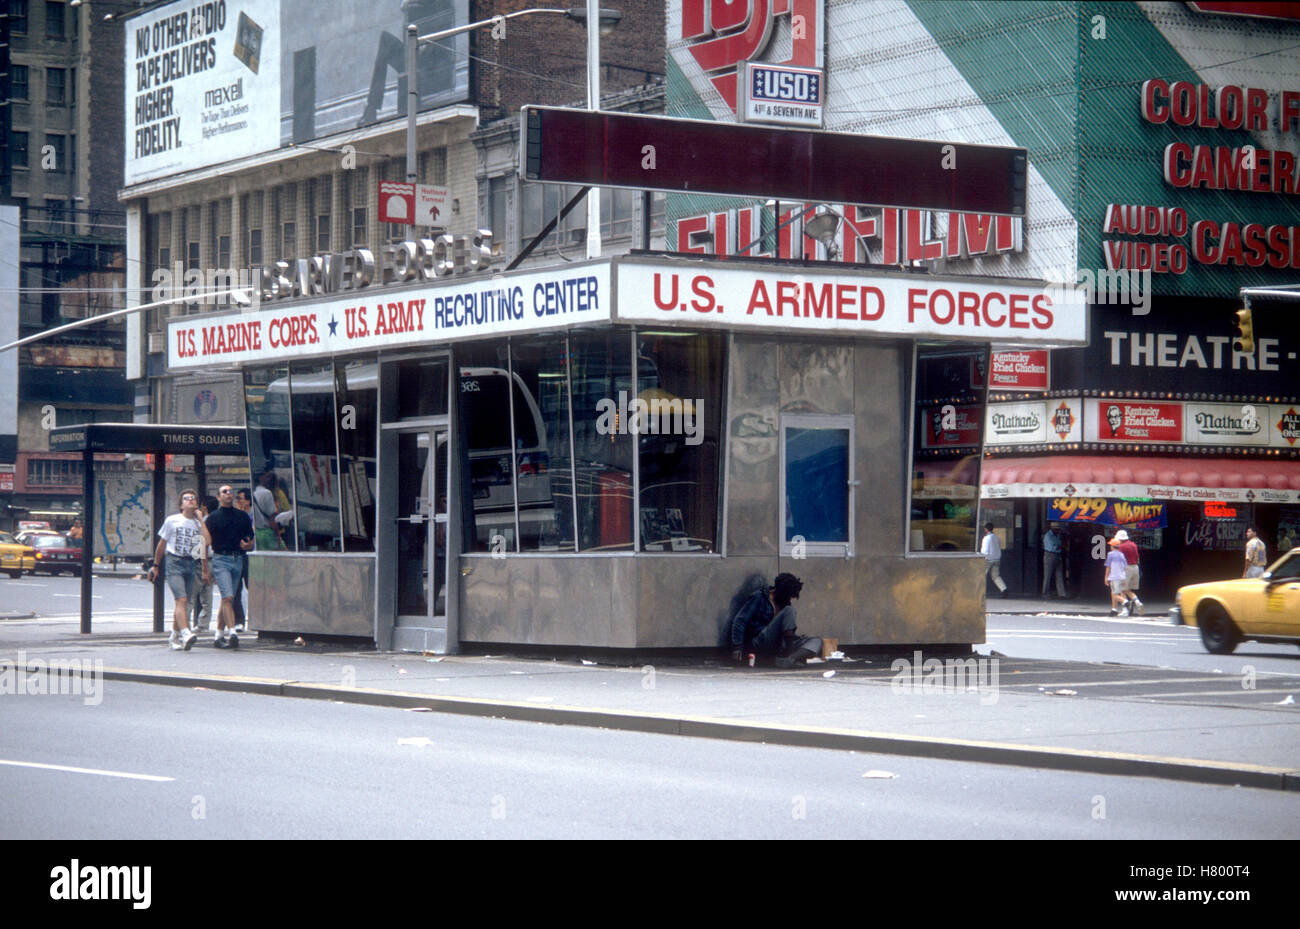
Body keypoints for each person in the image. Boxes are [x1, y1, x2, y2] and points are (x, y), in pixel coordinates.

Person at [149, 489, 211, 651]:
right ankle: (185, 633)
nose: (190, 500)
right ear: (181, 504)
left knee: (185, 602)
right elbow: (162, 544)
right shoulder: (172, 520)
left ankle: (173, 636)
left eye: (193, 498)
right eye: (186, 499)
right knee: (181, 600)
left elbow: (206, 542)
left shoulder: (198, 524)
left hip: (192, 563)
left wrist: (205, 568)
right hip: (174, 561)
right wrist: (156, 565)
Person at [727, 573, 821, 668]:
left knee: (817, 641)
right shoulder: (760, 597)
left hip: (780, 643)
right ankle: (789, 656)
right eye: (787, 595)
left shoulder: (785, 602)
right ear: (778, 591)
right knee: (789, 610)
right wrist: (737, 647)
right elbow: (740, 621)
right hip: (761, 639)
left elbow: (786, 628)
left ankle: (789, 659)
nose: (788, 599)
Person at [206, 485, 255, 649]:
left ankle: (218, 635)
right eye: (224, 492)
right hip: (221, 559)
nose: (228, 494)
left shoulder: (242, 516)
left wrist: (248, 545)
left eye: (230, 491)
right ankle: (232, 631)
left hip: (238, 558)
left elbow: (250, 538)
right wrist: (204, 565)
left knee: (228, 598)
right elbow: (204, 541)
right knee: (227, 597)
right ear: (219, 497)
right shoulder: (213, 518)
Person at [192, 495, 218, 632]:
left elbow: (203, 544)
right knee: (207, 594)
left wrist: (204, 567)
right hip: (213, 559)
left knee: (194, 592)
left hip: (204, 560)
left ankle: (195, 624)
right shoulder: (216, 519)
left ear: (204, 507)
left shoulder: (205, 522)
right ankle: (203, 623)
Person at [233, 488, 254, 631]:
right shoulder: (237, 516)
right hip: (238, 554)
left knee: (252, 587)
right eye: (238, 499)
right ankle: (238, 621)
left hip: (250, 555)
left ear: (248, 501)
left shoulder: (253, 516)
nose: (239, 502)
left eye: (241, 499)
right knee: (236, 589)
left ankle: (254, 618)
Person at [252, 470, 284, 551]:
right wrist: (277, 535)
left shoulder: (254, 492)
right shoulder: (267, 493)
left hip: (258, 533)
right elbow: (272, 517)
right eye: (267, 477)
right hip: (268, 532)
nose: (269, 479)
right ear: (260, 478)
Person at [1115, 529, 1143, 615]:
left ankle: (1125, 610)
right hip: (1135, 567)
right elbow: (1137, 557)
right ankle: (1136, 602)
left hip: (1126, 568)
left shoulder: (1121, 547)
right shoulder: (1133, 545)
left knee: (1122, 590)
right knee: (1128, 589)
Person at [1105, 536, 1130, 615]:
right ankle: (1114, 609)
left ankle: (1125, 602)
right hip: (1122, 577)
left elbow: (1108, 566)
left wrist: (1106, 577)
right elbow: (1125, 567)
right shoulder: (1121, 554)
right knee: (1115, 592)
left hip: (1114, 577)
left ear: (1112, 546)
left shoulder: (1110, 554)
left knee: (1114, 594)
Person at [981, 523, 1007, 597]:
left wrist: (982, 557)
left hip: (988, 560)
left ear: (986, 529)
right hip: (997, 559)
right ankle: (1004, 589)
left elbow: (985, 550)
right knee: (996, 576)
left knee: (982, 575)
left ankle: (980, 591)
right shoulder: (996, 537)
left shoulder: (986, 538)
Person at [1041, 524, 1067, 598]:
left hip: (1058, 555)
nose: (1058, 531)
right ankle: (1045, 593)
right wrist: (1062, 546)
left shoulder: (1057, 535)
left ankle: (1062, 593)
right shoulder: (1048, 536)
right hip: (1050, 555)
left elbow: (1059, 544)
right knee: (1048, 575)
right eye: (1057, 530)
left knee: (1059, 574)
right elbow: (1053, 547)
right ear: (1053, 529)